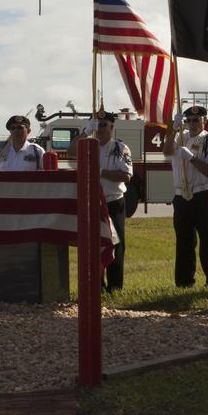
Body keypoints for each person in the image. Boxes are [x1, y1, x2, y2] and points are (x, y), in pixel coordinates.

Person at [162, 104, 208, 287]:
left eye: (197, 120)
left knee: (207, 241)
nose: (193, 124)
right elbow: (166, 151)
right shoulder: (179, 137)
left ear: (205, 120)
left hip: (202, 194)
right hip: (181, 196)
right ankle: (184, 282)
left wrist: (192, 159)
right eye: (189, 120)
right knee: (184, 242)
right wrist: (173, 127)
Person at [94, 112, 133, 293]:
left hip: (113, 202)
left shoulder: (120, 148)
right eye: (97, 124)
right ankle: (97, 285)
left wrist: (101, 171)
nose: (99, 128)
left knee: (116, 244)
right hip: (92, 203)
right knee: (94, 244)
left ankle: (115, 287)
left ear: (112, 127)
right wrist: (85, 132)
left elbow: (126, 175)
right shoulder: (88, 145)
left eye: (104, 125)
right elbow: (70, 150)